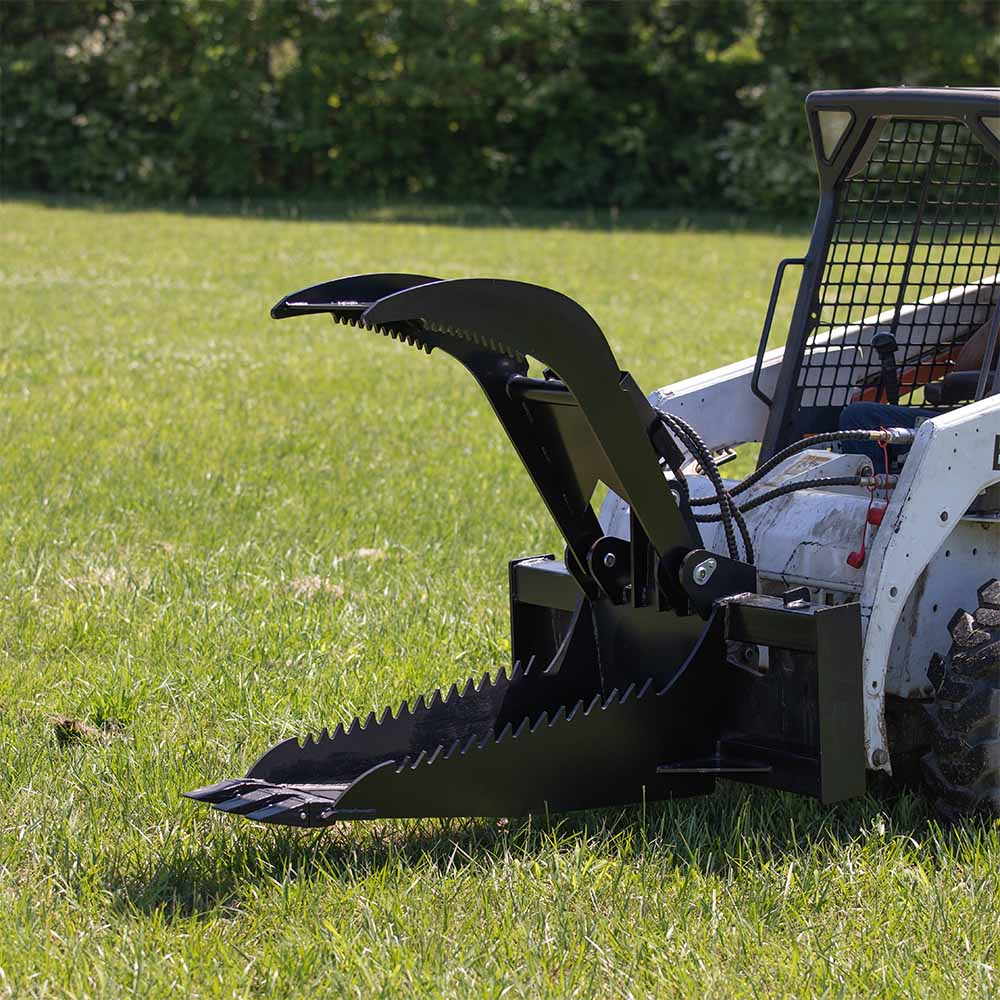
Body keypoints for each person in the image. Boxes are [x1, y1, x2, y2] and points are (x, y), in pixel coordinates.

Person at [839, 306, 997, 466]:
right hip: (974, 428)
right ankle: (878, 488)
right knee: (859, 418)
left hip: (985, 438)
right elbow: (962, 370)